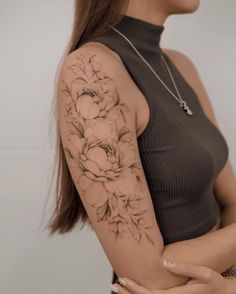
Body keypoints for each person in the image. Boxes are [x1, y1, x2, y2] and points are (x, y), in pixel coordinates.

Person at [46, 0, 236, 293]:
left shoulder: (180, 67)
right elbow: (149, 276)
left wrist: (228, 285)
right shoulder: (91, 72)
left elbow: (231, 202)